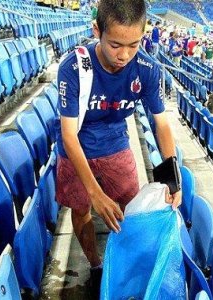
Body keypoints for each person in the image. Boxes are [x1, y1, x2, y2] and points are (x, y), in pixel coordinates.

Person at [55, 0, 181, 298]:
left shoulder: (148, 70)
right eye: (115, 45)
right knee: (82, 209)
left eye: (133, 45)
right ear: (96, 30)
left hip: (115, 145)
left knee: (128, 210)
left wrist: (172, 176)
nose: (124, 55)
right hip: (76, 150)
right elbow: (69, 135)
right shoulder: (74, 67)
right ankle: (96, 265)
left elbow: (161, 124)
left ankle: (125, 266)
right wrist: (95, 194)